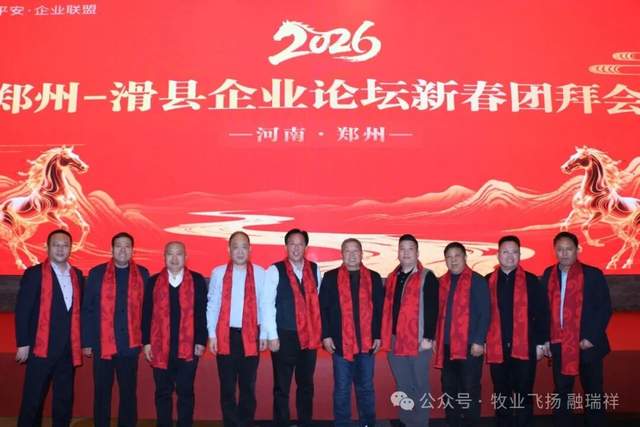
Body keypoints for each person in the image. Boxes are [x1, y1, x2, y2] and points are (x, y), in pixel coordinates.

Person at [541, 231, 612, 427]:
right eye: (560, 249)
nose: (564, 253)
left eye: (569, 249)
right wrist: (545, 339)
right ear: (554, 251)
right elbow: (543, 310)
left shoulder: (592, 274)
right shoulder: (548, 275)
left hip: (587, 344)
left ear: (577, 250)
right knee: (562, 392)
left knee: (593, 392)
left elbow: (604, 308)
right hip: (560, 344)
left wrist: (591, 337)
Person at [15, 229, 84, 427]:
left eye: (65, 245)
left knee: (64, 400)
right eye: (56, 245)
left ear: (71, 248)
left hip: (68, 350)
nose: (61, 249)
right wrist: (23, 343)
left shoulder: (77, 275)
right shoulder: (34, 274)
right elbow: (23, 310)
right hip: (41, 348)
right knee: (33, 400)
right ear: (47, 247)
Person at [81, 232, 149, 427]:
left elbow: (147, 310)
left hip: (129, 344)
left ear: (133, 250)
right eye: (119, 246)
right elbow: (87, 309)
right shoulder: (97, 273)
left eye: (127, 246)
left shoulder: (142, 274)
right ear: (111, 249)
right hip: (102, 344)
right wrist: (87, 342)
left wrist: (146, 341)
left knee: (128, 393)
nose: (123, 250)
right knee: (102, 392)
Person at [485, 235, 549, 427]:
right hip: (497, 347)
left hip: (525, 347)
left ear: (520, 255)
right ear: (498, 255)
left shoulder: (531, 280)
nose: (510, 256)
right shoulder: (488, 281)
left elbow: (542, 313)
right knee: (501, 393)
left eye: (515, 252)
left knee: (524, 393)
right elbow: (481, 314)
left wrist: (540, 343)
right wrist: (484, 341)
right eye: (505, 252)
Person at [319, 238, 384, 427]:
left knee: (366, 388)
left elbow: (379, 309)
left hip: (366, 343)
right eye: (347, 251)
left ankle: (367, 423)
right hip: (340, 343)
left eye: (355, 251)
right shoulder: (330, 277)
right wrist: (326, 335)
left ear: (362, 253)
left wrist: (378, 335)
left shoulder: (373, 277)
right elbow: (323, 309)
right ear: (342, 254)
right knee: (341, 389)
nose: (352, 254)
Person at [142, 241, 207, 427]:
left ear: (186, 257)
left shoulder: (196, 280)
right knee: (163, 392)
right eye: (170, 254)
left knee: (185, 392)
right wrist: (146, 342)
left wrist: (201, 340)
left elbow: (201, 312)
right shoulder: (153, 281)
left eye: (179, 254)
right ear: (164, 257)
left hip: (188, 346)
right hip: (160, 346)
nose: (174, 258)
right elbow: (146, 313)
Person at [262, 228, 323, 427]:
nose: (296, 248)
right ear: (286, 246)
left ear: (306, 247)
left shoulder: (315, 269)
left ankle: (305, 422)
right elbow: (267, 304)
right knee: (282, 387)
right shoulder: (274, 270)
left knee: (306, 385)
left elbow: (318, 303)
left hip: (309, 336)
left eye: (300, 244)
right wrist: (271, 335)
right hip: (284, 335)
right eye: (292, 244)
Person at [207, 231, 267, 427]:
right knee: (227, 387)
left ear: (250, 249)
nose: (240, 251)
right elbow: (213, 305)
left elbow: (264, 305)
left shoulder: (260, 273)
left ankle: (246, 422)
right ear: (229, 250)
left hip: (251, 335)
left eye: (244, 247)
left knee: (248, 386)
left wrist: (264, 334)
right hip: (226, 336)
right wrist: (212, 334)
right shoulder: (218, 273)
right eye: (235, 247)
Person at [381, 234, 439, 427]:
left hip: (418, 341)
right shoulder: (392, 277)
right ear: (398, 253)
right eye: (402, 249)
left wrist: (428, 337)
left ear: (417, 252)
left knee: (420, 384)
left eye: (410, 249)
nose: (406, 253)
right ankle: (407, 421)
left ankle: (420, 423)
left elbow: (433, 308)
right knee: (403, 384)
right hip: (395, 340)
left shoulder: (427, 276)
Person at [434, 241, 490, 427]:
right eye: (449, 257)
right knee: (449, 390)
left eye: (457, 256)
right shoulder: (442, 282)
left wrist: (479, 340)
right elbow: (438, 313)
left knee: (469, 390)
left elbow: (485, 313)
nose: (453, 260)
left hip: (470, 346)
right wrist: (436, 338)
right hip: (447, 346)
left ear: (465, 257)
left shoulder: (477, 280)